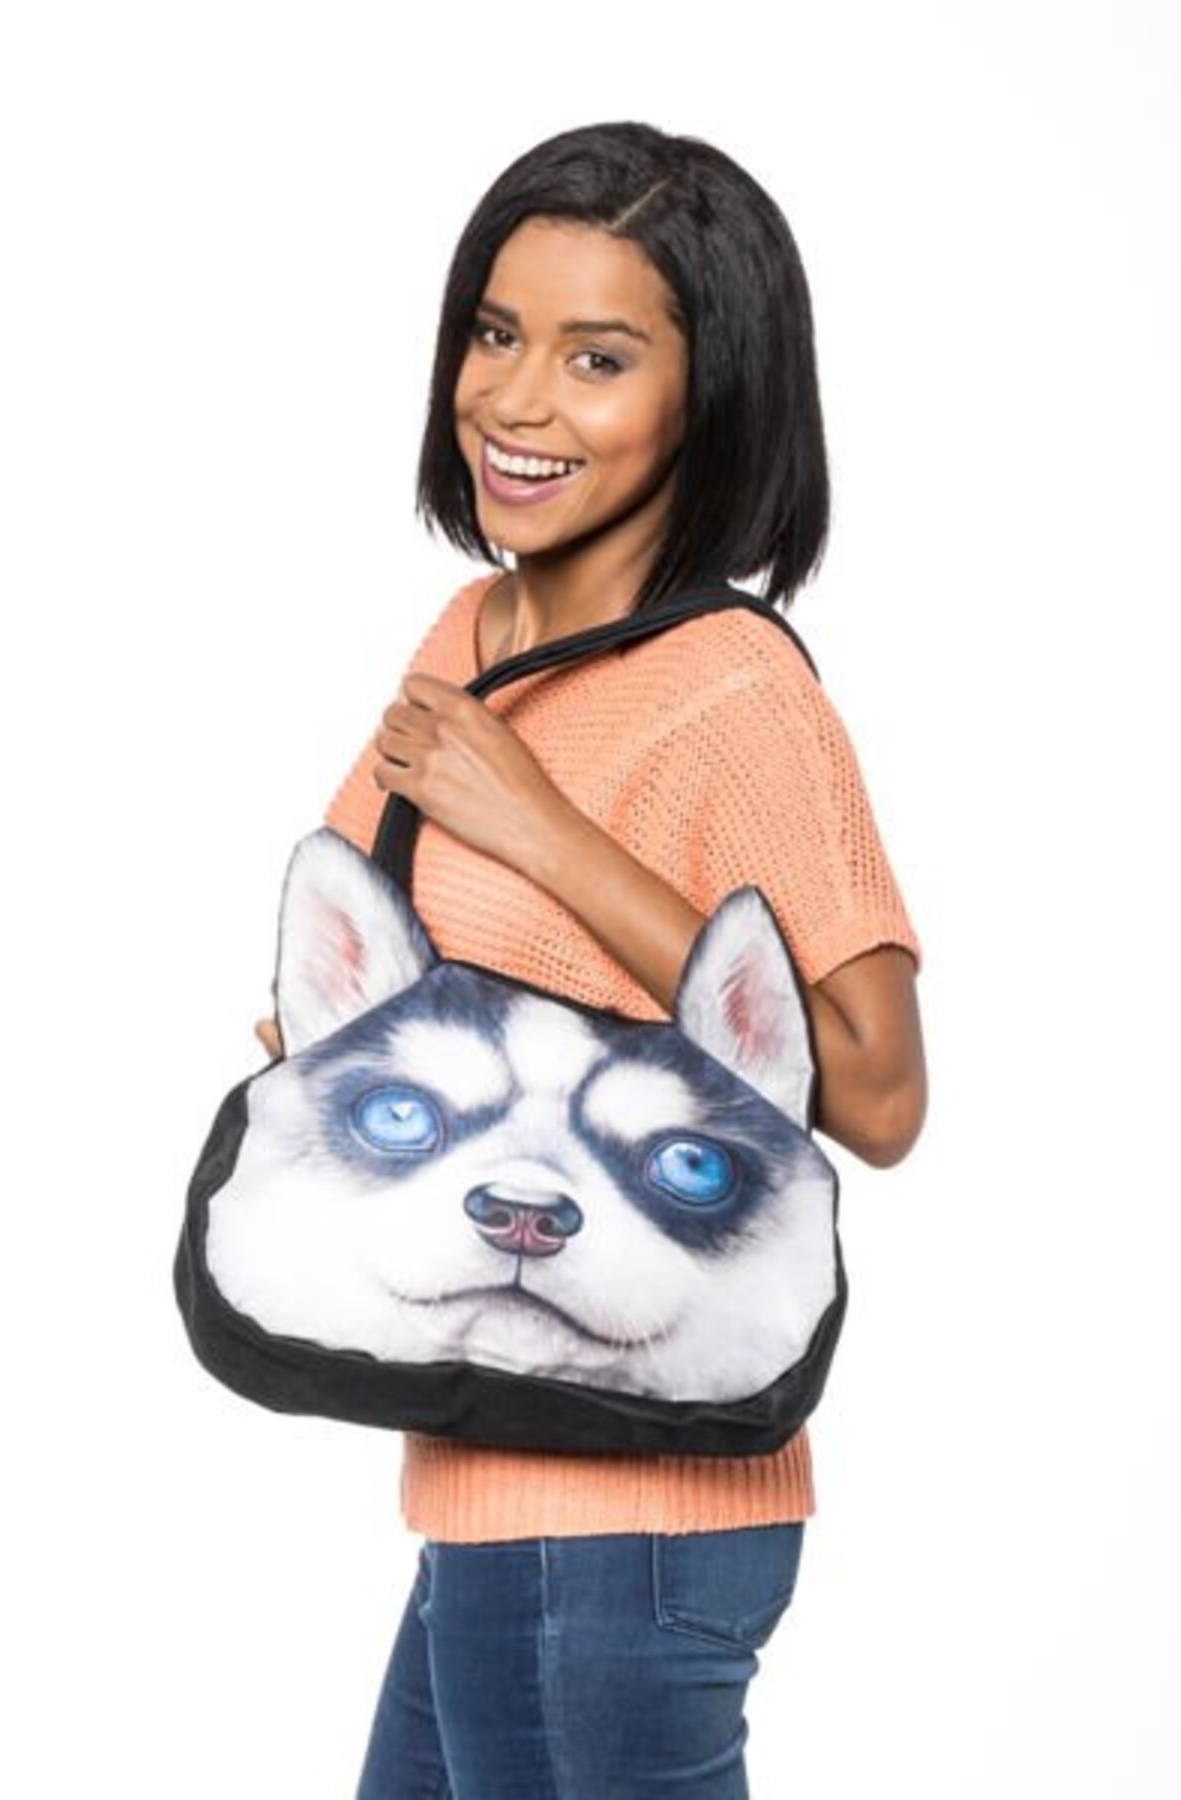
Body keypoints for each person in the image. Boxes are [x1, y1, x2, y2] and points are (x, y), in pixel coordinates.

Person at [256, 120, 927, 1800]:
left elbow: (877, 1089)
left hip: (626, 1517)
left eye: (598, 358)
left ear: (713, 394)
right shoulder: (474, 635)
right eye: (496, 333)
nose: (517, 400)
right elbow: (370, 948)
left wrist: (548, 832)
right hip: (491, 1475)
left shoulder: (735, 692)